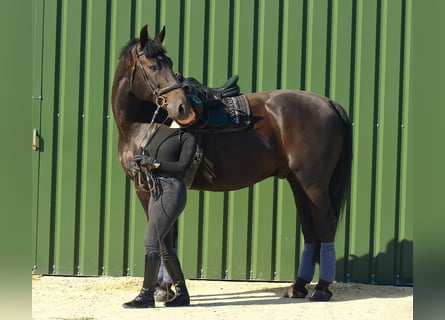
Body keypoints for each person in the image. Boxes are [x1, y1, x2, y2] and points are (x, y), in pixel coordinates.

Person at [123, 123, 197, 308]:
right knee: (165, 247)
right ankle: (182, 294)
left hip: (172, 189)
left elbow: (182, 165)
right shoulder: (158, 131)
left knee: (151, 242)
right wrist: (138, 163)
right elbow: (147, 155)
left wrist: (156, 164)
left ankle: (147, 295)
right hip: (156, 189)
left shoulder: (188, 137)